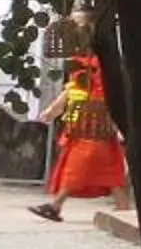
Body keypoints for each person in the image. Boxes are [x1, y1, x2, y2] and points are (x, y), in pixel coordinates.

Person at [31, 30, 126, 221]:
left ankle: (55, 205)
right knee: (108, 171)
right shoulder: (84, 62)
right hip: (89, 125)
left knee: (78, 167)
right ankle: (124, 209)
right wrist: (52, 110)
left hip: (93, 125)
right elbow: (72, 90)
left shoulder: (98, 65)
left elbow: (94, 93)